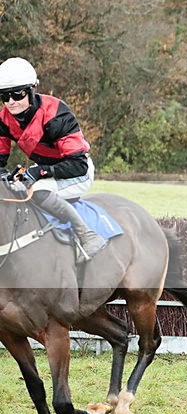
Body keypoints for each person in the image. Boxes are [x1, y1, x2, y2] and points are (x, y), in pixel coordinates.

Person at [0, 57, 107, 262]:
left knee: (37, 192)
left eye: (18, 93)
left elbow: (78, 164)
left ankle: (87, 236)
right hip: (47, 171)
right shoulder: (3, 119)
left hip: (76, 172)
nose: (11, 101)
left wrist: (37, 172)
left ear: (31, 90)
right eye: (5, 96)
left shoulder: (56, 113)